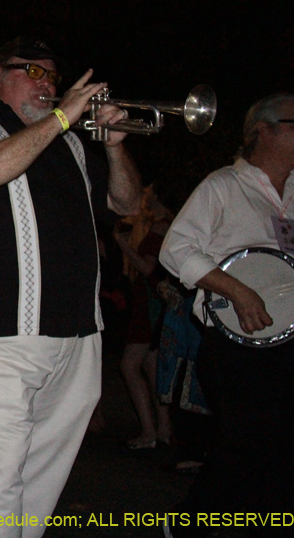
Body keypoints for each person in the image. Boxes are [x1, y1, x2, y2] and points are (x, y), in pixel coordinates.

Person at [0, 36, 141, 537]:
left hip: (75, 336)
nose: (46, 82)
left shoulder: (70, 142)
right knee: (0, 484)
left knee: (39, 485)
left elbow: (127, 204)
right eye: (30, 70)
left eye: (51, 74)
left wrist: (116, 148)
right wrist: (64, 116)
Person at [159, 93, 294, 538]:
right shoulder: (222, 186)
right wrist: (236, 289)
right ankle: (189, 524)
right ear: (265, 130)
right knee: (246, 441)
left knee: (290, 446)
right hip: (236, 345)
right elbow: (175, 249)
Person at [113, 185, 173, 450]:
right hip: (154, 301)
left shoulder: (161, 226)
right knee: (151, 367)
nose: (145, 197)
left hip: (150, 302)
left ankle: (150, 431)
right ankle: (163, 430)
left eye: (148, 193)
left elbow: (148, 268)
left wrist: (122, 244)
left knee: (129, 365)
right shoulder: (168, 223)